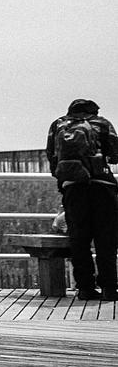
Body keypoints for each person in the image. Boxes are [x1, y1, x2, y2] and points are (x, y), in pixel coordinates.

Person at [45, 97, 118, 301]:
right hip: (102, 187)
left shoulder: (58, 125)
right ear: (93, 111)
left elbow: (51, 156)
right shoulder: (101, 123)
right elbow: (115, 154)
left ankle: (85, 288)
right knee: (106, 240)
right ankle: (109, 288)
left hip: (73, 188)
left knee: (79, 239)